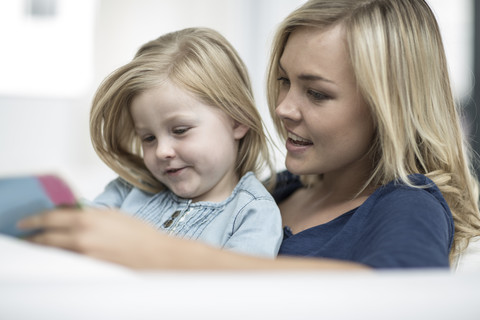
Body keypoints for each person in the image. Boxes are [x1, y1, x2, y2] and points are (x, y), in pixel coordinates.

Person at [19, 0, 480, 270]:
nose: (281, 108)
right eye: (283, 80)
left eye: (316, 94)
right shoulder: (280, 187)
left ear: (388, 107)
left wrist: (160, 255)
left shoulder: (408, 202)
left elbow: (408, 298)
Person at [20, 27, 284, 258]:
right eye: (148, 138)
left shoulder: (253, 214)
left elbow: (238, 293)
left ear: (237, 121)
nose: (162, 151)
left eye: (180, 130)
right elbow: (83, 232)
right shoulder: (130, 189)